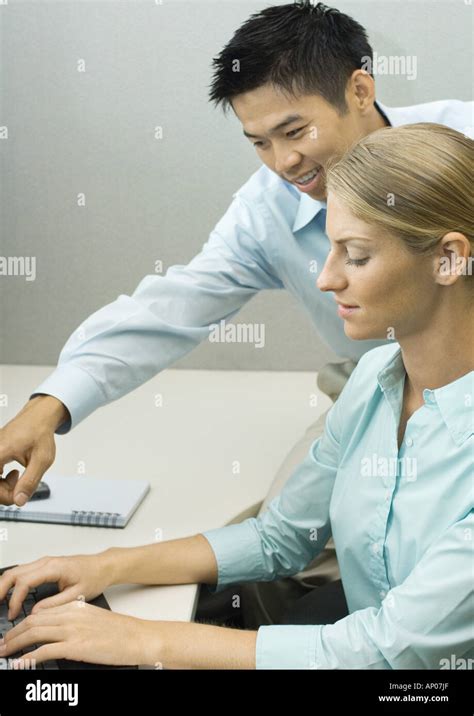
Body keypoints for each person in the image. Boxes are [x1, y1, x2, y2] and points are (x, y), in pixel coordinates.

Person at [0, 1, 471, 621]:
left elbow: (391, 643)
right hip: (378, 384)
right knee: (285, 542)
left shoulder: (461, 149)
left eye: (296, 132)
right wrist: (50, 405)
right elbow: (176, 304)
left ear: (360, 89)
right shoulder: (268, 208)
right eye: (259, 143)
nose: (283, 163)